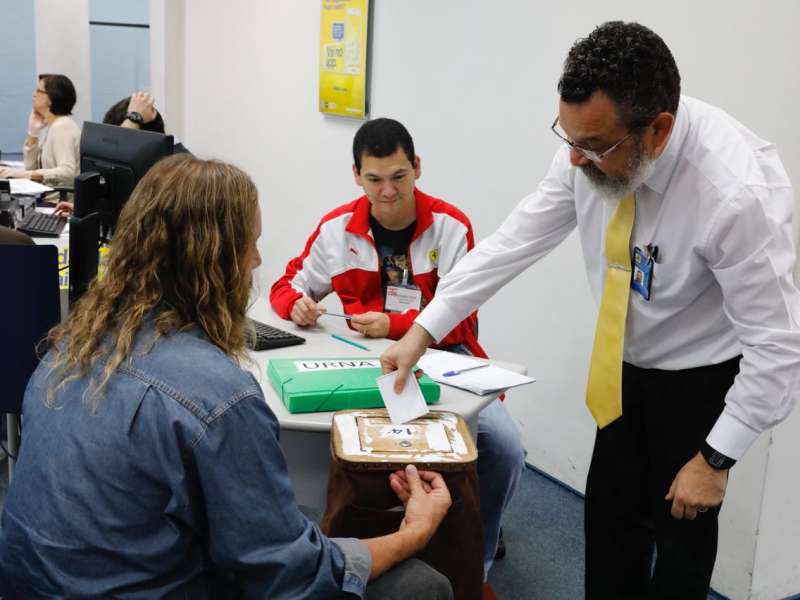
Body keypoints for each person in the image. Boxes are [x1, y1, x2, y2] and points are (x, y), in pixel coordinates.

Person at [380, 21, 800, 600]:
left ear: (658, 131)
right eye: (568, 138)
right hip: (621, 371)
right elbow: (513, 242)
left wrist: (716, 457)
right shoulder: (587, 149)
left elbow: (778, 345)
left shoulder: (736, 193)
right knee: (609, 528)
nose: (575, 159)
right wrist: (424, 327)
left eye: (595, 146)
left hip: (700, 381)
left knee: (682, 545)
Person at [0, 154, 454, 600]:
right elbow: (290, 576)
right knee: (420, 585)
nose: (257, 260)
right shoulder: (219, 398)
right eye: (250, 243)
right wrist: (412, 532)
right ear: (212, 260)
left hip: (31, 583)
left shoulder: (68, 349)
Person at [270, 117, 526, 580]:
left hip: (446, 359)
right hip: (360, 358)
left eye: (398, 177)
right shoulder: (336, 230)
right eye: (374, 180)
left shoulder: (450, 226)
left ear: (417, 168)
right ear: (356, 175)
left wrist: (397, 324)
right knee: (340, 443)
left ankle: (478, 561)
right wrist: (299, 305)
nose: (387, 192)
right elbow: (286, 284)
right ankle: (361, 549)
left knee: (504, 448)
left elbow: (461, 319)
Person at [0, 74, 80, 187]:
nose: (33, 94)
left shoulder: (62, 127)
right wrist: (33, 133)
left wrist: (20, 174)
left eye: (38, 91)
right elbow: (31, 168)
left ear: (51, 98)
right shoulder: (53, 125)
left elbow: (67, 171)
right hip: (48, 197)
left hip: (57, 202)